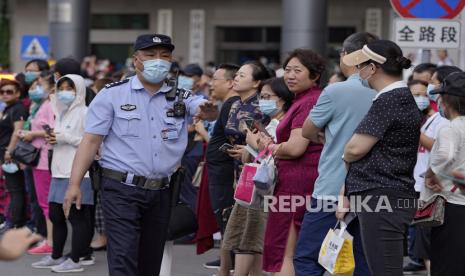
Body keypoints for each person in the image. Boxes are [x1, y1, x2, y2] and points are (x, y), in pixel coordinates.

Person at [63, 34, 212, 276]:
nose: (158, 61)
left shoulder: (180, 96)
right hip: (121, 189)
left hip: (162, 191)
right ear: (136, 60)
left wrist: (209, 111)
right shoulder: (112, 94)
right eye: (150, 55)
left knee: (150, 262)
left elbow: (204, 110)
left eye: (164, 56)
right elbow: (90, 141)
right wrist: (74, 184)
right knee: (123, 257)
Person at [294, 32, 377, 276]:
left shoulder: (334, 91)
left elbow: (308, 131)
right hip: (372, 190)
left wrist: (327, 135)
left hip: (332, 186)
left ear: (347, 57)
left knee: (308, 258)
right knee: (364, 261)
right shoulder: (387, 95)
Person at [340, 40, 421, 275]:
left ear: (373, 68)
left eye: (361, 66)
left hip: (381, 196)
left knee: (385, 269)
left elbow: (355, 148)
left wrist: (345, 154)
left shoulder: (389, 99)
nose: (359, 71)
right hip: (387, 195)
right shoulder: (399, 97)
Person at [262, 49, 325, 276]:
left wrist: (270, 147)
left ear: (315, 75)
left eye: (298, 70)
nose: (290, 75)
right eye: (287, 70)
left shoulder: (309, 102)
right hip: (298, 179)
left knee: (285, 249)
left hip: (297, 181)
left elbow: (297, 147)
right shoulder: (304, 99)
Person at [31, 74, 94, 273]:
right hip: (58, 171)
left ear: (80, 90)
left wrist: (64, 137)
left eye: (70, 88)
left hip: (79, 173)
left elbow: (90, 142)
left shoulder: (86, 112)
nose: (65, 92)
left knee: (77, 217)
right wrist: (54, 138)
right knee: (56, 215)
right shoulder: (61, 111)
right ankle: (56, 255)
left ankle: (76, 259)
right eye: (62, 88)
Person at [221, 61, 270, 276]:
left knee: (252, 227)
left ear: (257, 82)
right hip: (238, 168)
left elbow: (262, 140)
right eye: (237, 75)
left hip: (256, 171)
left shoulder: (261, 106)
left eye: (242, 75)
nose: (236, 78)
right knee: (242, 225)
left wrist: (247, 148)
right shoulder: (234, 104)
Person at [403, 78, 452, 274]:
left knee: (428, 239)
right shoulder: (415, 119)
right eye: (415, 95)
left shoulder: (438, 121)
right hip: (413, 185)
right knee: (420, 240)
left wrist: (413, 127)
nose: (420, 99)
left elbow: (437, 148)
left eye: (424, 95)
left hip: (431, 186)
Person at [423, 72, 465, 276]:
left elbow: (445, 155)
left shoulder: (450, 128)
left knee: (447, 264)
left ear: (447, 100)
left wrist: (430, 173)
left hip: (453, 206)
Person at [203, 64, 240, 275]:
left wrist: (201, 129)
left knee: (226, 217)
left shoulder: (232, 104)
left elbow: (231, 142)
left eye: (215, 79)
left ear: (230, 82)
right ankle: (227, 263)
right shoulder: (228, 104)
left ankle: (230, 264)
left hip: (225, 173)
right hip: (221, 171)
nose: (211, 84)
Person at [18, 72, 56, 255]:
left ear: (51, 86)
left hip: (43, 160)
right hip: (38, 159)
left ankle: (51, 242)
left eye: (40, 84)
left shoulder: (50, 105)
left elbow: (52, 130)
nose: (37, 87)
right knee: (43, 202)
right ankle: (49, 240)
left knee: (46, 203)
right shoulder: (43, 105)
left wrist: (33, 134)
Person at [0, 79, 29, 229]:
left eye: (9, 91)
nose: (5, 94)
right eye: (2, 92)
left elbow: (17, 132)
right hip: (6, 154)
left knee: (15, 189)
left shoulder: (18, 108)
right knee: (12, 188)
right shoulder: (8, 108)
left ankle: (16, 222)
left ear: (18, 93)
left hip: (12, 155)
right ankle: (14, 221)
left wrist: (9, 151)